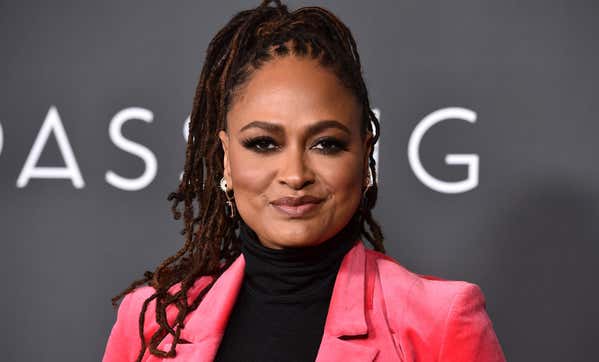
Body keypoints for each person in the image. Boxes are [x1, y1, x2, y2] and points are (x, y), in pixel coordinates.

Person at [102, 1, 506, 361]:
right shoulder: (152, 326)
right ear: (226, 159)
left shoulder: (439, 324)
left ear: (366, 154)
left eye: (326, 144)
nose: (295, 175)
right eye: (263, 143)